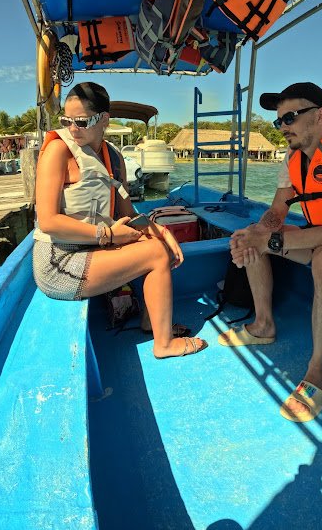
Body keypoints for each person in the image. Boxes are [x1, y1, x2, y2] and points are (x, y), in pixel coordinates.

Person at [220, 82, 322, 422]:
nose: (283, 127)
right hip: (321, 239)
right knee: (258, 233)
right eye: (279, 121)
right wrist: (255, 234)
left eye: (290, 118)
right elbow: (277, 213)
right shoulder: (293, 156)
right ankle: (264, 325)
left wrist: (270, 242)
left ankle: (318, 373)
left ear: (320, 116)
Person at [33, 82, 207, 359]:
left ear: (104, 119)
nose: (72, 127)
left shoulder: (114, 157)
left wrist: (160, 229)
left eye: (81, 121)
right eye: (66, 120)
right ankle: (163, 345)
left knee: (155, 242)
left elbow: (128, 213)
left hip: (92, 250)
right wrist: (109, 236)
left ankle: (152, 321)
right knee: (154, 254)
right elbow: (49, 222)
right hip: (60, 262)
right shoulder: (58, 151)